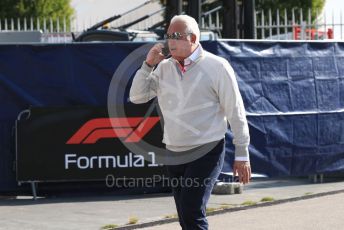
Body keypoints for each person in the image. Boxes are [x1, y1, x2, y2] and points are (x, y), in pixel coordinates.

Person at [130, 14, 251, 230]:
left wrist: (242, 153)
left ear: (193, 38)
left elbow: (236, 111)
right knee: (185, 216)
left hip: (207, 150)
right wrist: (148, 65)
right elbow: (137, 97)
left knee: (191, 211)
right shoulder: (164, 67)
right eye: (168, 36)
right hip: (174, 152)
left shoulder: (217, 67)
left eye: (176, 36)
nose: (170, 41)